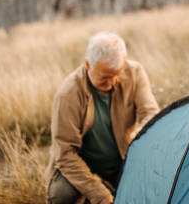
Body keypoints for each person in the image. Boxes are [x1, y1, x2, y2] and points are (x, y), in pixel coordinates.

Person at [45, 31, 159, 204]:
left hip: (122, 160)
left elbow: (150, 113)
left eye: (117, 74)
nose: (112, 82)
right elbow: (65, 154)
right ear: (88, 65)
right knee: (61, 194)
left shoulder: (135, 73)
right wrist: (100, 194)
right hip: (79, 166)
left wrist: (140, 132)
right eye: (105, 77)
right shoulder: (68, 95)